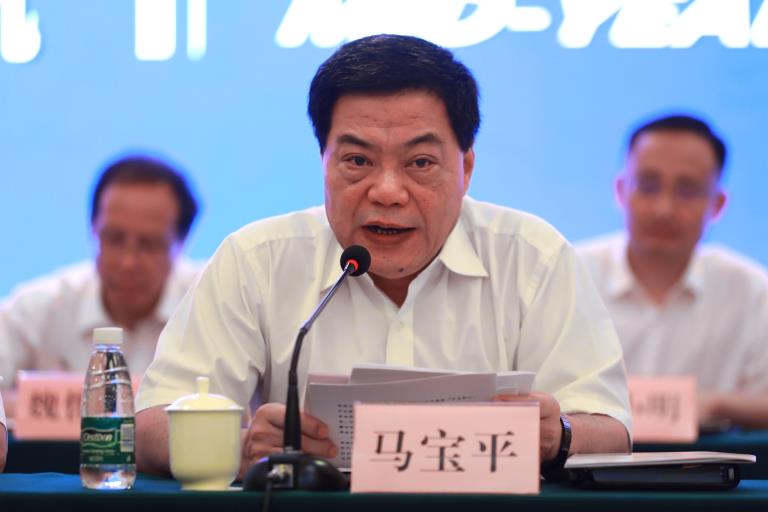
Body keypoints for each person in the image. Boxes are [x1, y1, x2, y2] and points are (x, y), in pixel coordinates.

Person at [136, 34, 631, 479]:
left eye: (420, 163)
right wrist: (239, 448)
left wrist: (558, 435)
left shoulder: (534, 258)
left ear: (466, 169)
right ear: (323, 163)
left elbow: (610, 430)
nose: (388, 191)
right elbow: (151, 423)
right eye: (358, 161)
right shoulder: (256, 260)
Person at [577, 114, 768, 429]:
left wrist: (717, 404)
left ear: (718, 204)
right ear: (621, 190)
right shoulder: (572, 275)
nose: (664, 208)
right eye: (648, 186)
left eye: (687, 190)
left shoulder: (751, 291)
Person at [0, 155, 201, 415]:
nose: (128, 262)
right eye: (114, 239)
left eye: (148, 244)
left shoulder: (208, 307)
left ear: (182, 243)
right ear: (93, 230)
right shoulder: (37, 311)